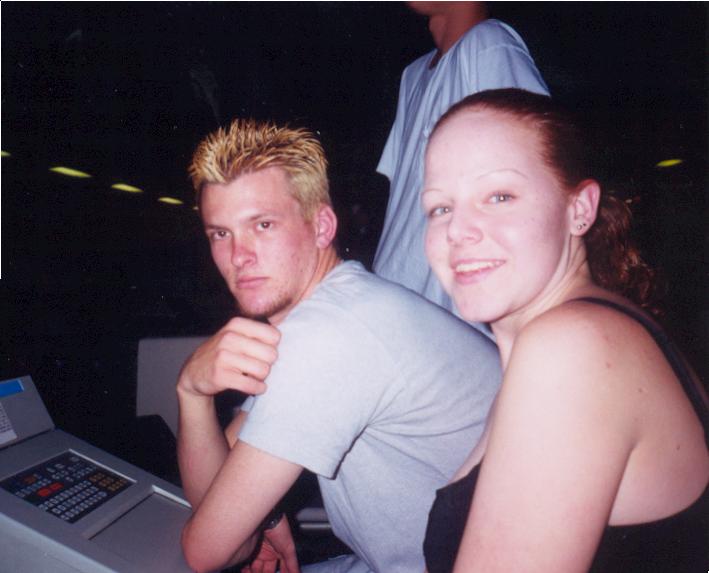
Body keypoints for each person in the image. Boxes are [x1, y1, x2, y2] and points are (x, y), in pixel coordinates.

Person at [176, 118, 501, 573]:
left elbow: (209, 552)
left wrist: (191, 392)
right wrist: (193, 394)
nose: (239, 256)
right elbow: (223, 481)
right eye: (220, 234)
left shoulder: (332, 335)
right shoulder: (338, 307)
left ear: (322, 226)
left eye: (263, 225)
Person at [420, 88, 709, 572]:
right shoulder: (587, 333)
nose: (456, 231)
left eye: (499, 196)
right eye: (440, 208)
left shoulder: (572, 349)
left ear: (579, 209)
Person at [373, 1, 549, 314]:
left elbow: (538, 169)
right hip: (396, 292)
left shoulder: (489, 45)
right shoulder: (412, 75)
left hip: (450, 310)